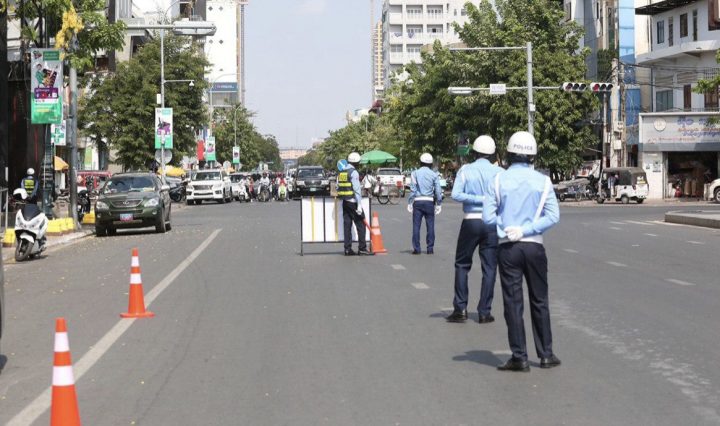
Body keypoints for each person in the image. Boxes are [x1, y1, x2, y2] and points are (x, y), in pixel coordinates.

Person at [484, 131, 561, 372]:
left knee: (513, 301)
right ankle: (546, 354)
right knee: (539, 300)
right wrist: (526, 230)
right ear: (533, 156)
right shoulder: (544, 182)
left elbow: (487, 217)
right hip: (535, 245)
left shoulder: (497, 180)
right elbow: (553, 216)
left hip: (508, 248)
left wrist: (507, 230)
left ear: (508, 154)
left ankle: (520, 357)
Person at [446, 136, 502, 324]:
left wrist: (477, 199)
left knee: (462, 264)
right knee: (490, 268)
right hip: (491, 222)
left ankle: (460, 309)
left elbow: (456, 194)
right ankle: (484, 312)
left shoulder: (465, 170)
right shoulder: (499, 173)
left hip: (471, 220)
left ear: (475, 152)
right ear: (492, 154)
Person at [407, 153, 443, 254]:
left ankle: (417, 249)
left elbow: (413, 190)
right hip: (429, 202)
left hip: (418, 202)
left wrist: (410, 202)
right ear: (431, 164)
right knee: (430, 226)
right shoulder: (434, 175)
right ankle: (430, 248)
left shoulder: (415, 173)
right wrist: (439, 203)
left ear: (420, 162)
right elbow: (438, 191)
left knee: (416, 226)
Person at [337, 152, 371, 256]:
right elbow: (356, 189)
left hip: (345, 202)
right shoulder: (354, 172)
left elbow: (338, 187)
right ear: (356, 162)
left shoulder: (342, 172)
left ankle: (347, 249)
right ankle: (362, 248)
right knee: (361, 225)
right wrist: (359, 205)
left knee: (347, 225)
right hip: (353, 202)